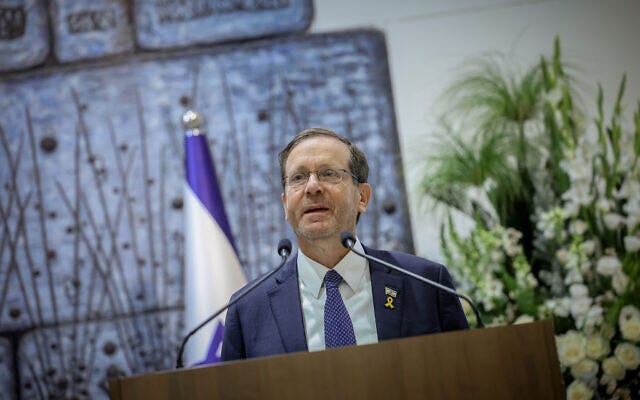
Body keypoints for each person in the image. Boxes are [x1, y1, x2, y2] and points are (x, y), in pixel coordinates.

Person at [221, 127, 468, 361]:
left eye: (329, 173)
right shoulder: (248, 309)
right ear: (286, 204)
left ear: (362, 197)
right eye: (298, 177)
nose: (312, 187)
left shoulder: (426, 284)